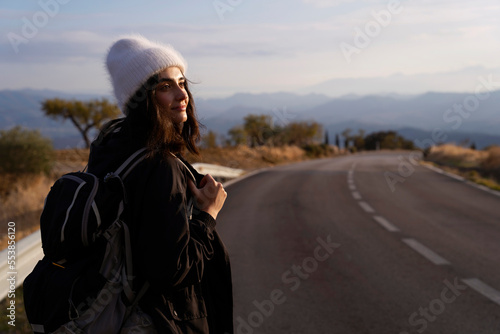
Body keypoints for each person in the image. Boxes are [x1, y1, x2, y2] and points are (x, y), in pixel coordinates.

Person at [87, 34, 233, 333]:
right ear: (142, 97)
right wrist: (208, 215)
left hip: (118, 315)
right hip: (160, 321)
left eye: (182, 83)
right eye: (165, 87)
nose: (183, 95)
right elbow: (174, 271)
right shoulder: (160, 166)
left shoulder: (109, 150)